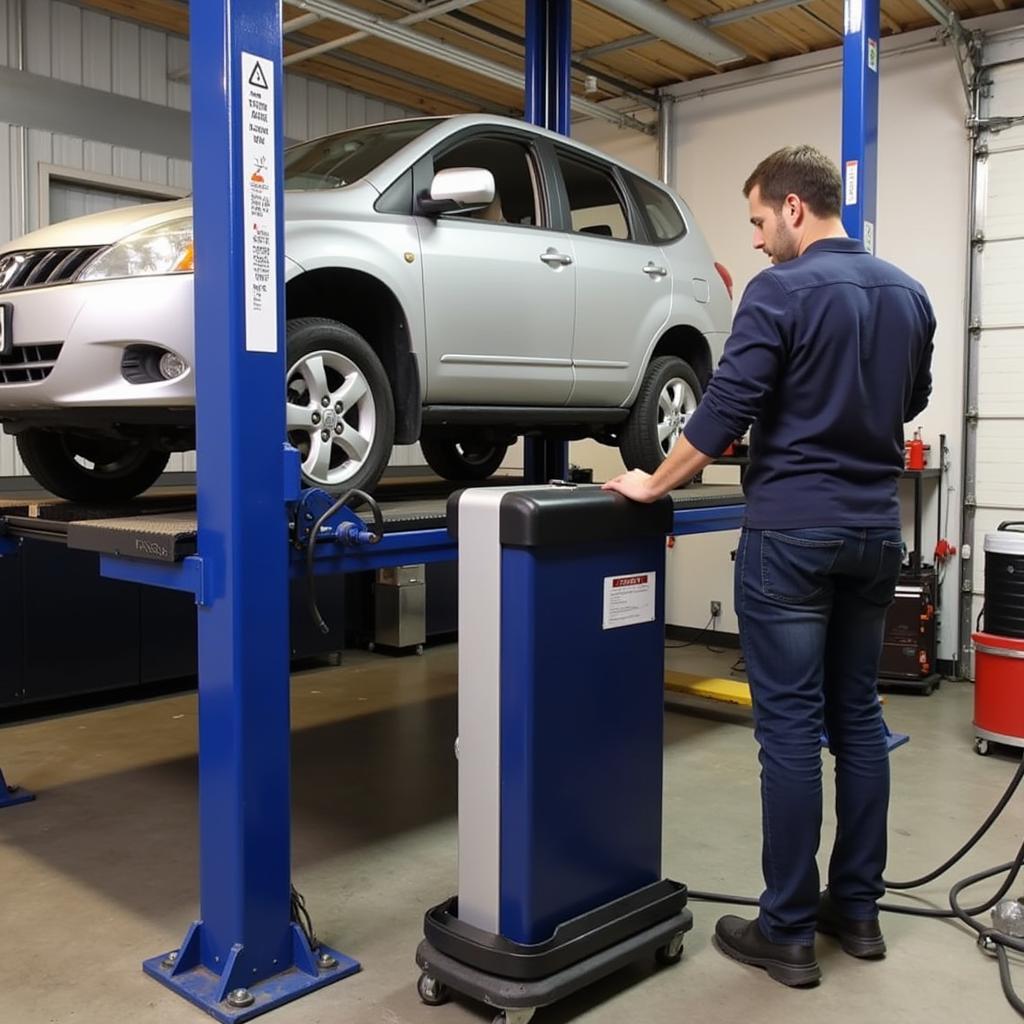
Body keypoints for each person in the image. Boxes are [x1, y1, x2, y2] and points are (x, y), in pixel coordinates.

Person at [604, 145, 935, 988]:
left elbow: (723, 411)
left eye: (756, 220)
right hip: (872, 534)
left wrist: (654, 480)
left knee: (788, 732)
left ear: (794, 208)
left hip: (790, 534)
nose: (754, 240)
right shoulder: (910, 293)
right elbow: (910, 398)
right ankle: (855, 914)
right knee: (857, 719)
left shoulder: (779, 292)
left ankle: (786, 928)